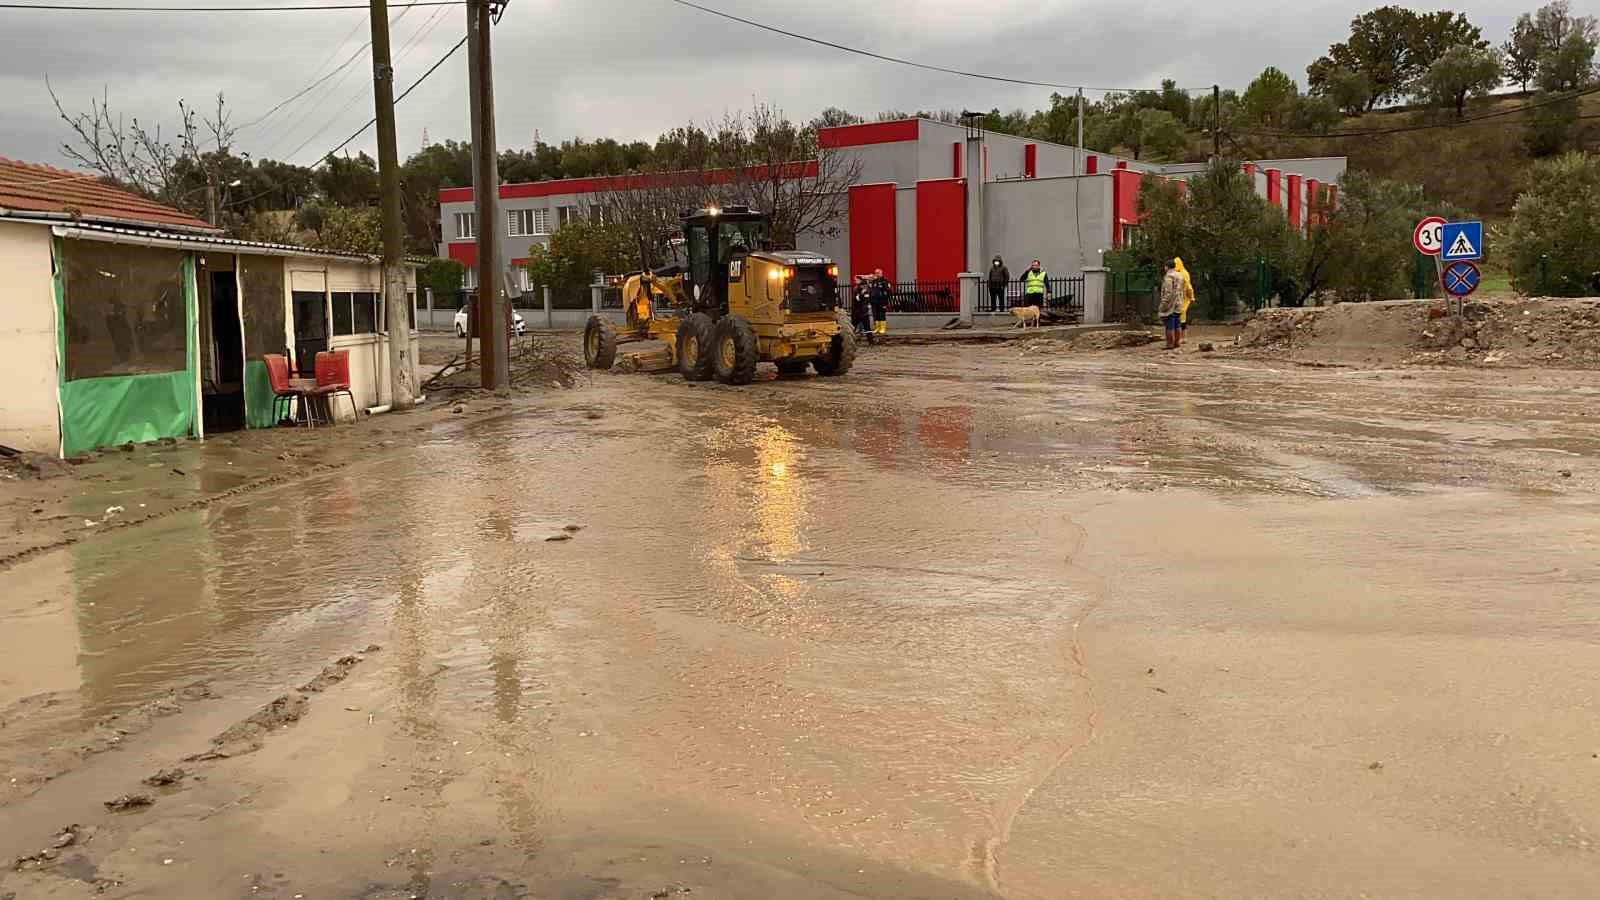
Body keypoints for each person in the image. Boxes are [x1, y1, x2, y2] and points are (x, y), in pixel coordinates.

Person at [1159, 259, 1185, 350]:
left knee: (1169, 324)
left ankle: (1170, 343)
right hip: (1179, 302)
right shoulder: (1180, 275)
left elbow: (1168, 292)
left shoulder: (1169, 277)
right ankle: (1177, 342)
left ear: (1166, 267)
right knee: (1177, 323)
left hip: (1171, 304)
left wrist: (1163, 304)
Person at [1174, 257, 1196, 346]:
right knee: (1180, 317)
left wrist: (1191, 297)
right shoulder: (1178, 272)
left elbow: (1188, 287)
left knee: (1181, 317)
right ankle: (1180, 337)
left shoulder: (1183, 273)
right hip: (1178, 298)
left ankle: (1183, 338)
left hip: (1183, 298)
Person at [868, 269, 891, 335]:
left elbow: (888, 290)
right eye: (875, 273)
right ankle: (877, 328)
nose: (877, 274)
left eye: (878, 273)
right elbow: (870, 289)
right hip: (874, 301)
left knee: (882, 314)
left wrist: (886, 300)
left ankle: (882, 328)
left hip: (882, 301)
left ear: (881, 273)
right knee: (875, 315)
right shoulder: (874, 281)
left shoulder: (885, 280)